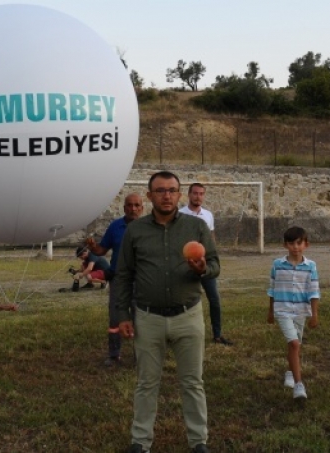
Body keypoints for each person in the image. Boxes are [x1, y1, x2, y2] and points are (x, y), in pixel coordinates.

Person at [114, 171, 219, 453]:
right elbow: (123, 275)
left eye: (172, 190)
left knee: (193, 382)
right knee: (146, 382)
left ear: (179, 194)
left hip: (188, 315)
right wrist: (122, 315)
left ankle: (199, 442)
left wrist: (203, 269)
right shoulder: (136, 231)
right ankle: (140, 441)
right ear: (150, 196)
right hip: (148, 317)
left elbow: (215, 264)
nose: (167, 195)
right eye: (160, 191)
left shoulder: (195, 228)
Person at [86, 193, 144, 367]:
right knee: (115, 317)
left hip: (141, 280)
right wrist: (93, 247)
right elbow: (102, 250)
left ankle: (140, 356)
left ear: (142, 208)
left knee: (140, 318)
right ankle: (114, 354)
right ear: (124, 207)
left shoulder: (147, 227)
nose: (133, 209)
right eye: (129, 205)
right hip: (119, 279)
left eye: (136, 205)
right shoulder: (115, 226)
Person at [266, 226, 320, 400]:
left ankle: (290, 372)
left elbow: (314, 291)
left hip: (301, 311)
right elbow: (272, 289)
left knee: (295, 345)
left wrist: (314, 314)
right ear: (285, 245)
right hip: (282, 310)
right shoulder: (278, 265)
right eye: (291, 243)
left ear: (306, 244)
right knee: (295, 344)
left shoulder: (311, 266)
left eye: (299, 243)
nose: (295, 247)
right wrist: (270, 311)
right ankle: (299, 385)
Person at [179, 183, 233, 346]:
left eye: (201, 194)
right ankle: (180, 335)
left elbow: (211, 238)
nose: (198, 196)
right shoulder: (180, 214)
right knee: (183, 300)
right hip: (186, 264)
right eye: (195, 193)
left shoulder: (208, 215)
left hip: (204, 264)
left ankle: (217, 334)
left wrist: (212, 257)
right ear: (188, 195)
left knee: (214, 299)